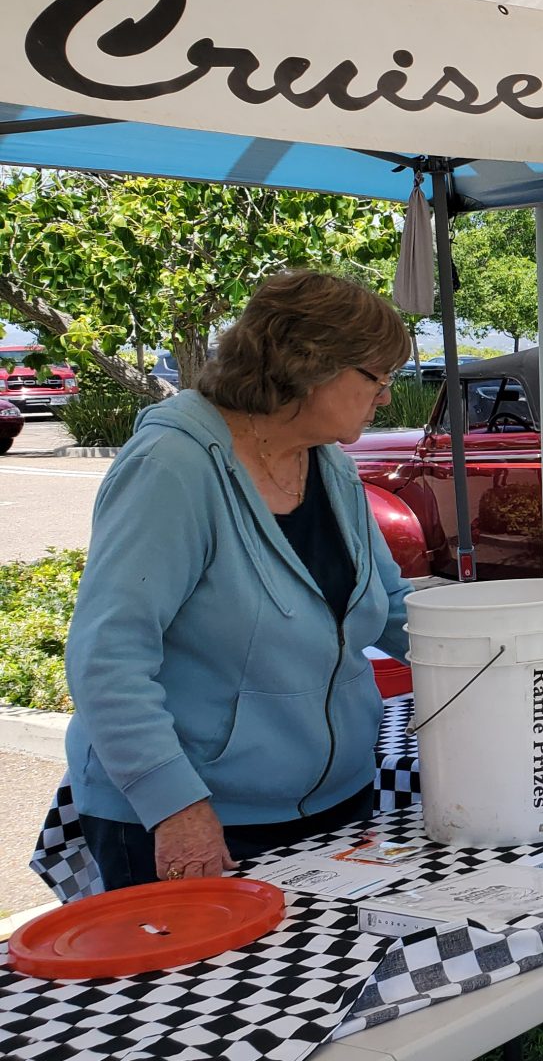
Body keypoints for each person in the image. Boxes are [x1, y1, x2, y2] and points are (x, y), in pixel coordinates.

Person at [64, 271, 416, 890]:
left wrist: (507, 647)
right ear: (312, 365)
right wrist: (174, 803)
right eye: (377, 376)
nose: (385, 397)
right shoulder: (172, 467)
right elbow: (107, 657)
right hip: (197, 819)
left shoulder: (328, 462)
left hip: (337, 801)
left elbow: (388, 608)